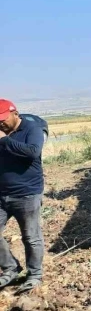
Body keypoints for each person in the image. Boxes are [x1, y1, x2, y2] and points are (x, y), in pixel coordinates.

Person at [0, 99, 48, 292]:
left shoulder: (32, 129)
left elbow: (33, 152)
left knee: (31, 237)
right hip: (1, 195)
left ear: (15, 113)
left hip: (27, 194)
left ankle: (34, 274)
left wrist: (4, 140)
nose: (1, 123)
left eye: (3, 119)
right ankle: (10, 268)